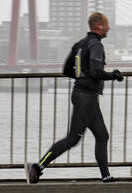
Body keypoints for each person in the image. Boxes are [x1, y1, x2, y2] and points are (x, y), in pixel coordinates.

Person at [26, 12, 125, 184]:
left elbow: (66, 69)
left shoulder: (80, 44)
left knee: (102, 136)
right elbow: (95, 71)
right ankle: (37, 167)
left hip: (86, 96)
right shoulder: (96, 46)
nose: (109, 28)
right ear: (99, 26)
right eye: (107, 25)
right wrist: (113, 75)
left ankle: (106, 177)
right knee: (73, 138)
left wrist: (81, 77)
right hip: (86, 97)